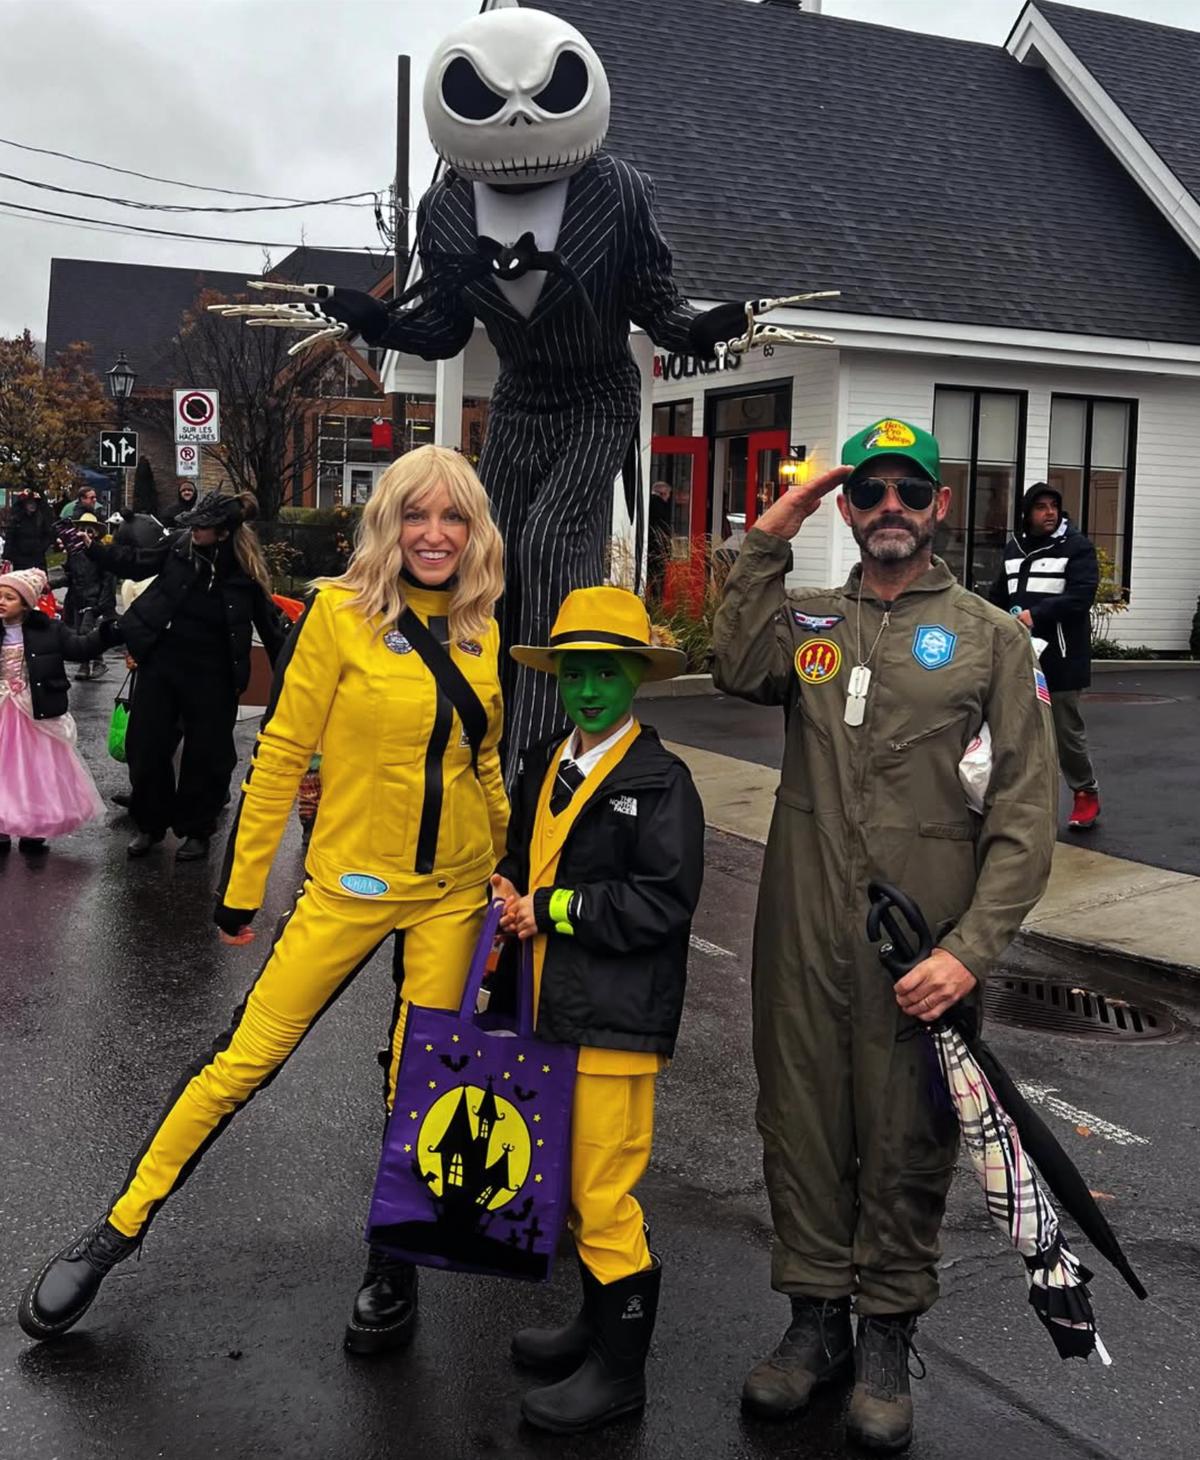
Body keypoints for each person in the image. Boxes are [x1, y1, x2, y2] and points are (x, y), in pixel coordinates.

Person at [18, 446, 509, 1357]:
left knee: (420, 1080)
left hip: (453, 893)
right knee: (241, 1062)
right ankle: (117, 1230)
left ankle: (392, 1264)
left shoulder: (481, 625)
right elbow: (281, 753)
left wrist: (502, 861)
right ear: (387, 523)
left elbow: (479, 759)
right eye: (416, 514)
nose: (435, 534)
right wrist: (241, 895)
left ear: (475, 530)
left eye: (453, 517)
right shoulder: (339, 615)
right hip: (350, 886)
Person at [712, 418, 1057, 1452]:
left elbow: (1026, 815)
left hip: (922, 946)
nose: (890, 508)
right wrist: (771, 534)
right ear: (850, 508)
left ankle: (888, 1333)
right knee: (802, 1121)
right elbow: (734, 663)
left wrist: (968, 951)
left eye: (910, 490)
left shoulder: (992, 637)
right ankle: (815, 1320)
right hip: (802, 931)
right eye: (870, 492)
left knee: (909, 1135)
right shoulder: (810, 619)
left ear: (939, 505)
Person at [491, 585, 704, 1433]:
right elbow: (523, 853)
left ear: (636, 678)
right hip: (547, 1010)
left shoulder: (661, 782)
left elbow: (663, 902)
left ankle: (620, 1375)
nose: (588, 690)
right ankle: (592, 1326)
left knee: (603, 1190)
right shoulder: (544, 758)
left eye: (607, 674)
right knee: (571, 1188)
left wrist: (553, 908)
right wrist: (508, 884)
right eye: (575, 672)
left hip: (616, 1021)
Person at [60, 491, 286, 861]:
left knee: (207, 757)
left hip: (214, 673)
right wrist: (92, 548)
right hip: (162, 661)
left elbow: (271, 629)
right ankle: (150, 824)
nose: (194, 531)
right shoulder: (180, 546)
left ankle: (197, 829)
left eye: (202, 527)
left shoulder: (245, 572)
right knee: (145, 747)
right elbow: (136, 563)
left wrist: (293, 677)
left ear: (224, 532)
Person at [988, 483, 1101, 831]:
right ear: (1027, 514)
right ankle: (1022, 802)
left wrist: (1035, 615)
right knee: (1016, 730)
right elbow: (999, 597)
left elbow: (1082, 596)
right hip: (1019, 655)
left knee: (1066, 732)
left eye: (1054, 505)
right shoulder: (1014, 549)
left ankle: (1085, 792)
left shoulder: (1077, 547)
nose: (1049, 512)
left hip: (1062, 657)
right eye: (1041, 507)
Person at [0, 567, 118, 856]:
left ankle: (35, 823)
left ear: (26, 604)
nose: (1, 602)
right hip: (2, 708)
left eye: (9, 597)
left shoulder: (48, 630)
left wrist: (106, 633)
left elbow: (80, 648)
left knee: (35, 769)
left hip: (33, 710)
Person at [61, 513, 115, 680]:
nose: (85, 534)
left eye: (89, 531)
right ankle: (86, 664)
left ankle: (98, 662)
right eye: (82, 530)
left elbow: (108, 579)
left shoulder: (100, 553)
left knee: (86, 631)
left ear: (95, 533)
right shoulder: (74, 553)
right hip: (78, 598)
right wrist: (51, 584)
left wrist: (102, 603)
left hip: (94, 599)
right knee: (79, 634)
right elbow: (71, 577)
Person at [3, 489, 58, 572]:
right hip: (20, 559)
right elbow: (10, 538)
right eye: (29, 503)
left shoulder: (41, 518)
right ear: (24, 504)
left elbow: (49, 534)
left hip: (38, 558)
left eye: (34, 503)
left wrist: (42, 547)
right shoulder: (17, 520)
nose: (32, 505)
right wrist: (7, 556)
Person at [646, 481, 673, 601]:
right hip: (657, 550)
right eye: (668, 495)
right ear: (663, 493)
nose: (668, 498)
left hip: (647, 549)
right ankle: (656, 605)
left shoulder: (646, 502)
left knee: (648, 580)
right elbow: (664, 530)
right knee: (657, 583)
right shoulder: (661, 507)